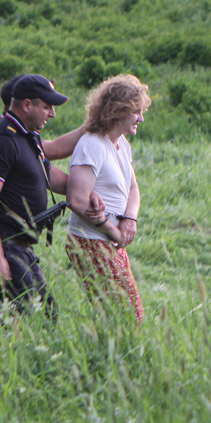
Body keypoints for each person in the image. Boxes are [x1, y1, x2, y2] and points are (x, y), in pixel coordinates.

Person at [0, 74, 103, 317]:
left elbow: (42, 173)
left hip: (18, 246)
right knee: (37, 318)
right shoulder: (2, 140)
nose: (52, 114)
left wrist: (84, 192)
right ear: (27, 105)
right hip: (2, 244)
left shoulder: (26, 136)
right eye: (47, 107)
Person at [64, 74, 151, 322]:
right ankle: (109, 357)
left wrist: (129, 220)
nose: (141, 118)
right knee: (127, 315)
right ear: (118, 110)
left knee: (122, 315)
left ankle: (108, 356)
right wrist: (113, 231)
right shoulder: (91, 144)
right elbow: (77, 200)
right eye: (136, 111)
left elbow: (133, 188)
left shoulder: (121, 144)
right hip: (91, 239)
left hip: (111, 239)